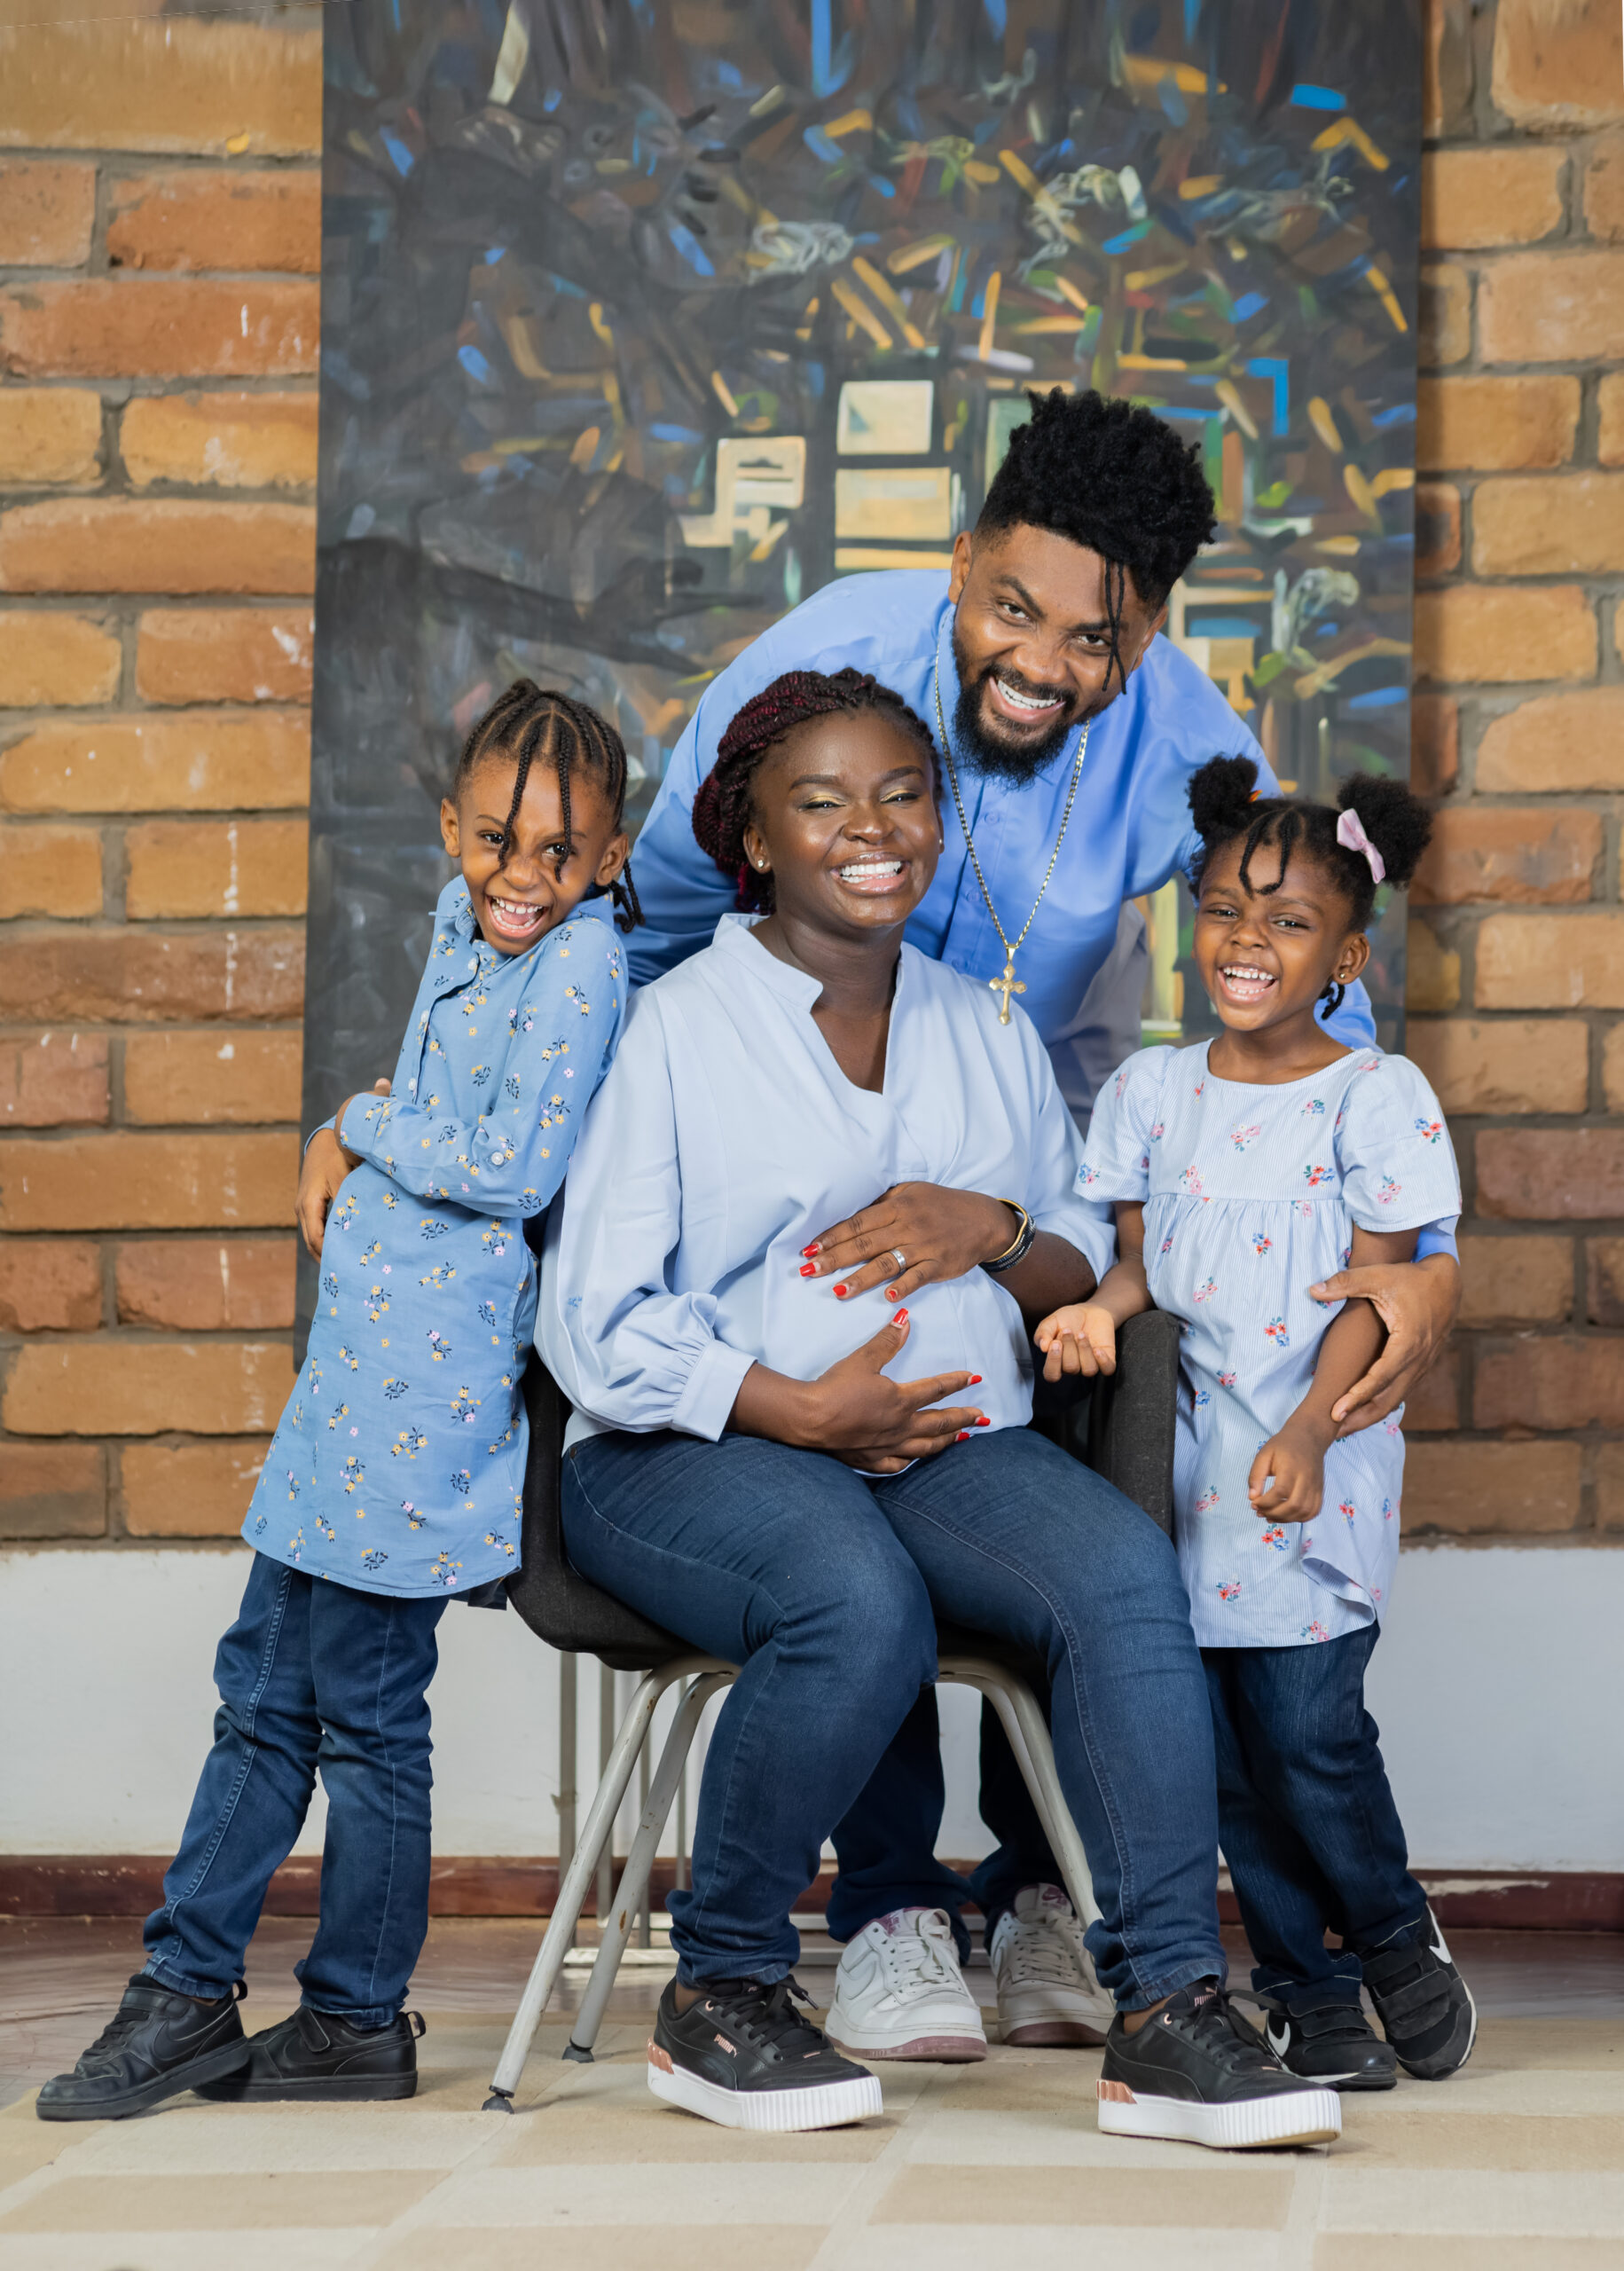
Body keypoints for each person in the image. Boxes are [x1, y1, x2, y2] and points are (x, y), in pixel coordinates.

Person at [624, 385, 1463, 2057]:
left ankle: (1035, 1896)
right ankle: (885, 1908)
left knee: (1079, 1461)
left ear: (1146, 632)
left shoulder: (1182, 739)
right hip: (792, 1186)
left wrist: (1411, 1253)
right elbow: (645, 915)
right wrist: (455, 1133)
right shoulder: (831, 678)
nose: (1043, 661)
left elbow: (1309, 961)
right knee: (851, 1465)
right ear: (961, 566)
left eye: (1095, 636)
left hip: (1048, 1159)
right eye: (1013, 608)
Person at [537, 669, 1342, 2149]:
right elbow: (591, 1324)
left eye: (903, 795)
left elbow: (1076, 1261)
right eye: (823, 800)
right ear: (756, 837)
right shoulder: (678, 1028)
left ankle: (1167, 2012)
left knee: (1118, 1580)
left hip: (947, 1446)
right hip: (685, 1453)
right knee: (855, 1600)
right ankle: (721, 1991)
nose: (872, 828)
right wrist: (794, 1409)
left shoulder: (981, 1026)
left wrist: (988, 1230)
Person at [37, 683, 638, 2123]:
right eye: (495, 840)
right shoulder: (461, 924)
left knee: (367, 1721)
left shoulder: (581, 969)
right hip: (348, 1390)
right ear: (451, 829)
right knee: (259, 1697)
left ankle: (354, 2017)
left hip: (424, 1414)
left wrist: (352, 1123)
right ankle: (185, 1993)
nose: (520, 877)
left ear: (610, 858)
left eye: (559, 853)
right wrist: (357, 1141)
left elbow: (510, 1164)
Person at [1037, 756, 1475, 2095]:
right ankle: (1309, 1995)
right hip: (1174, 1474)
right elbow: (1135, 1264)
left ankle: (1396, 1934)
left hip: (1309, 1461)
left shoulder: (1373, 1097)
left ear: (1346, 952)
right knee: (1220, 1761)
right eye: (1227, 907)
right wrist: (1098, 1315)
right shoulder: (1153, 1097)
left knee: (1308, 1735)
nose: (1247, 939)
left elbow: (1376, 1291)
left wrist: (1307, 1438)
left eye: (1288, 921)